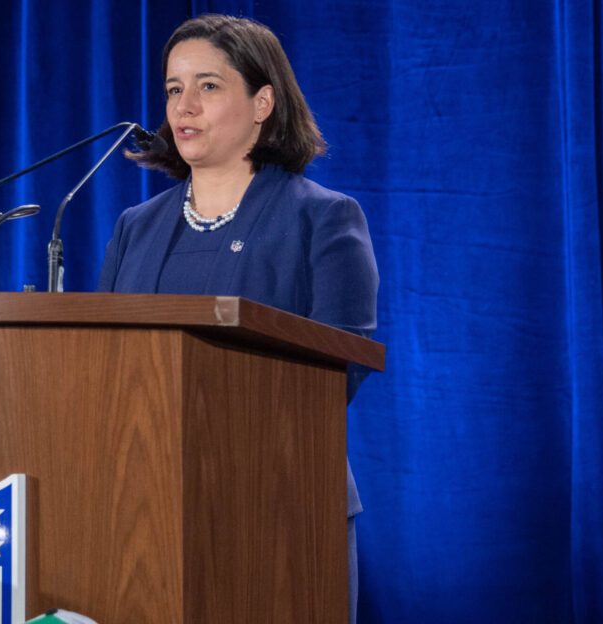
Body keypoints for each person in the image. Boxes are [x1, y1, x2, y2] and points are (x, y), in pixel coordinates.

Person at [96, 14, 377, 623]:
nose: (184, 107)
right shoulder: (134, 228)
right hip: (146, 510)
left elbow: (341, 367)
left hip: (280, 507)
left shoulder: (324, 219)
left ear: (262, 103)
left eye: (209, 86)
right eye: (173, 89)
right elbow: (105, 366)